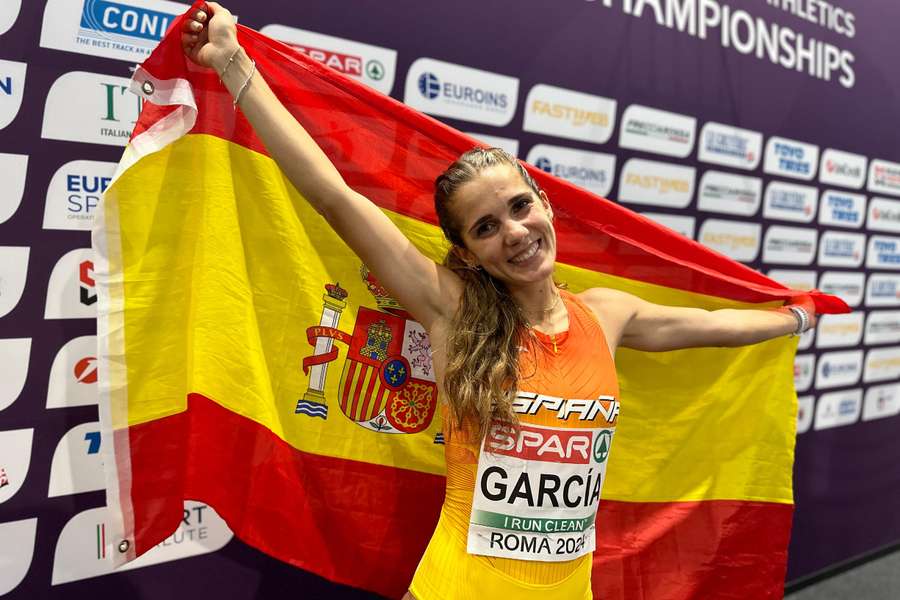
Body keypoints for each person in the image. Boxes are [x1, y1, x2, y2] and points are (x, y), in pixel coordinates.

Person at [181, 4, 817, 599]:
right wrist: (234, 65)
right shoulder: (449, 307)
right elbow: (335, 198)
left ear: (544, 206)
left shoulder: (608, 313)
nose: (514, 232)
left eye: (519, 207)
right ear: (466, 252)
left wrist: (794, 317)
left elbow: (707, 325)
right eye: (486, 227)